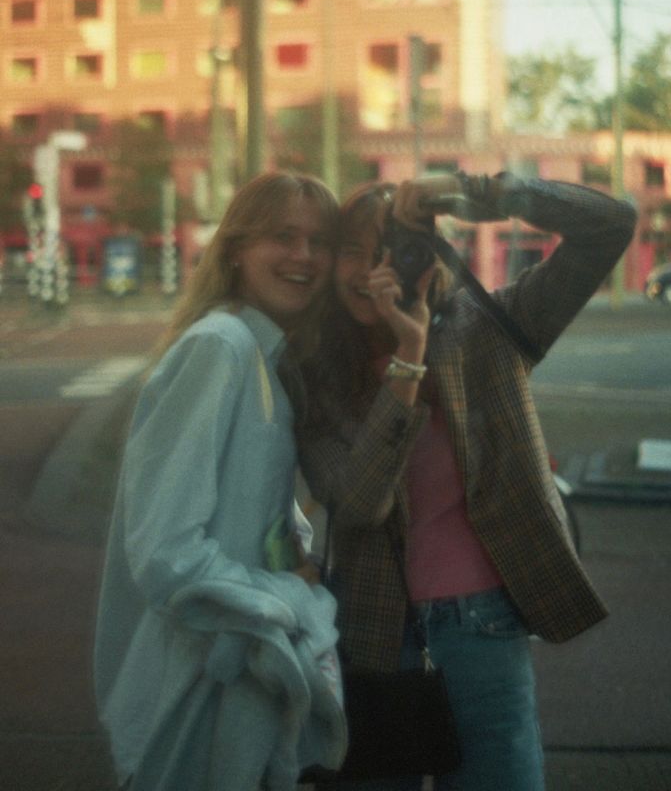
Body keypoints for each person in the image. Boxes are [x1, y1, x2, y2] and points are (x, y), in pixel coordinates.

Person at [297, 170, 637, 791]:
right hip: (373, 630)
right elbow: (359, 503)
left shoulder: (492, 328)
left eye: (392, 247)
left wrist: (475, 191)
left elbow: (611, 226)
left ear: (429, 253)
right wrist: (407, 356)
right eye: (352, 250)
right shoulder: (318, 372)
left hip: (486, 625)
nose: (370, 269)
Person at [94, 171, 347, 791]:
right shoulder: (220, 348)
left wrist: (294, 554)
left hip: (234, 680)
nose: (304, 256)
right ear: (236, 249)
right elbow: (167, 554)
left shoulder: (264, 356)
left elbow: (245, 508)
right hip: (195, 690)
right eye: (283, 236)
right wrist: (290, 597)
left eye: (320, 241)